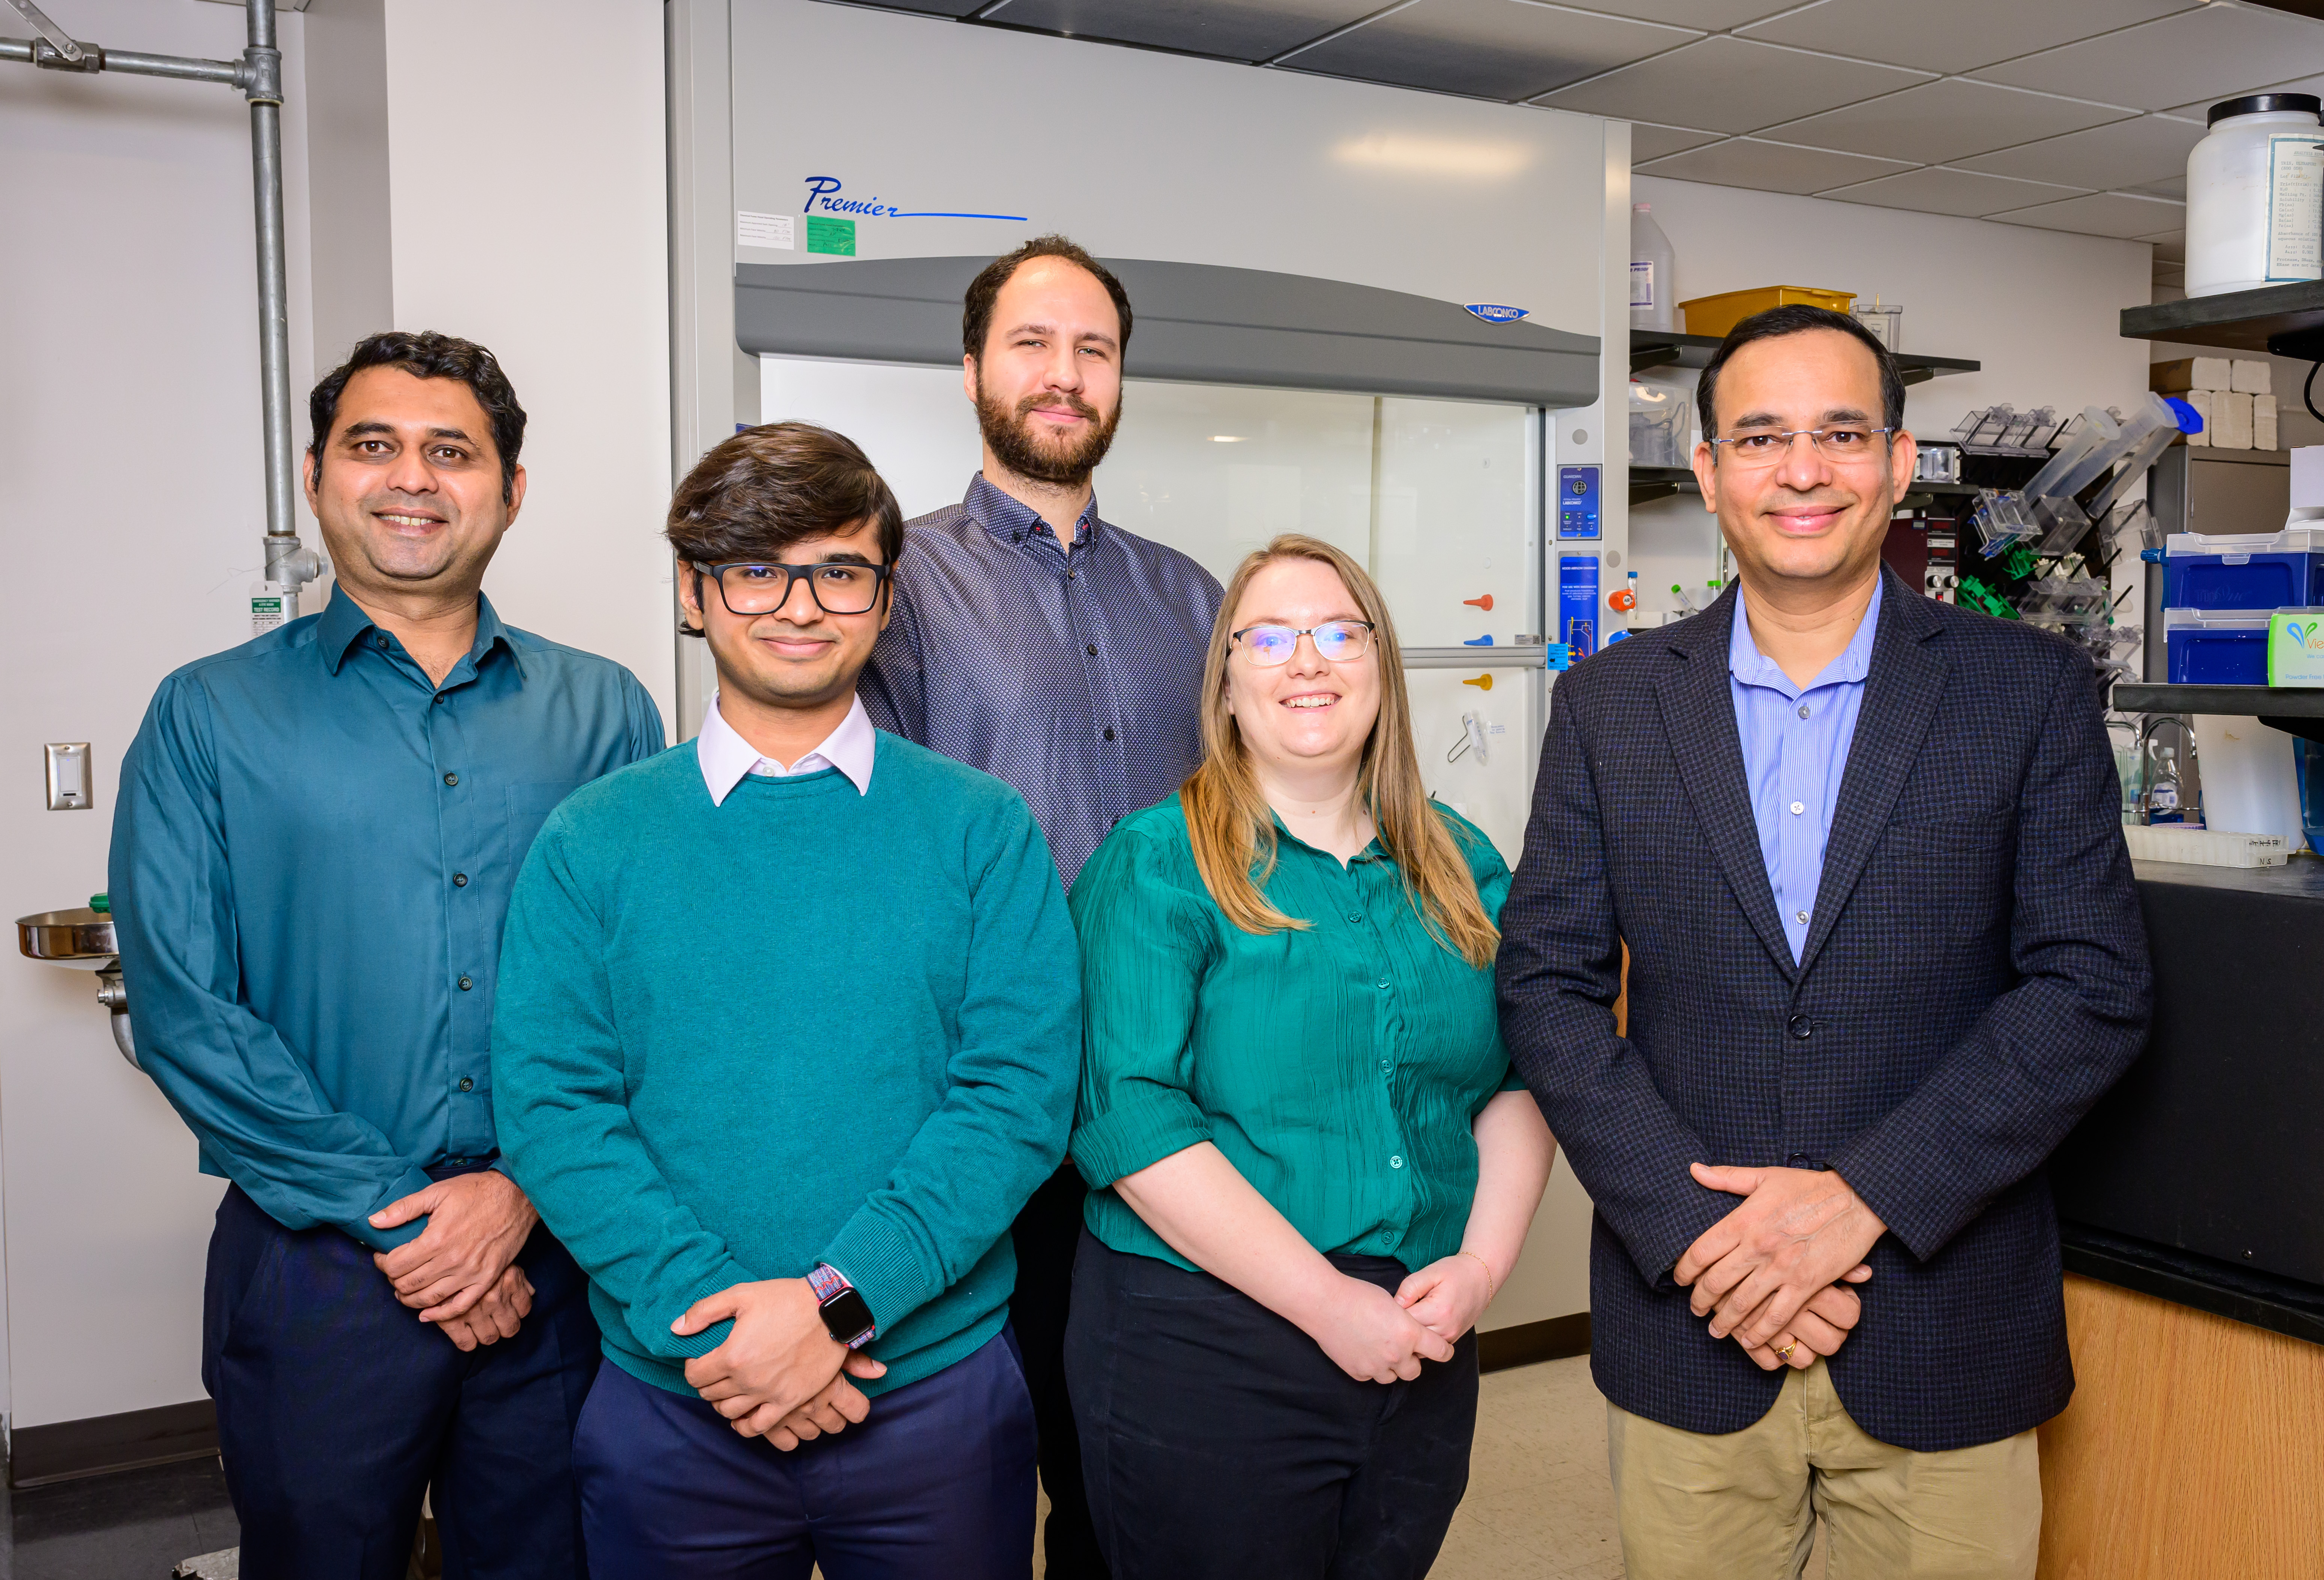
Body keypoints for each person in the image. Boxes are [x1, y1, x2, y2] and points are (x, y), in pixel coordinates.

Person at [1496, 305, 2152, 1578]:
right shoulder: (1609, 705)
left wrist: (1864, 1199)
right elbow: (1546, 988)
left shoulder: (2027, 690)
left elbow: (2090, 986)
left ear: (1898, 462)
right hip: (1695, 1313)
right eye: (1761, 437)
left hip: (1941, 1317)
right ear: (1710, 472)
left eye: (1840, 433)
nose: (1802, 469)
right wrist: (1700, 1236)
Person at [110, 331, 666, 1579]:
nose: (412, 477)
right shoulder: (207, 713)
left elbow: (648, 989)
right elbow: (188, 1011)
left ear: (511, 490)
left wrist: (521, 1190)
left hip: (559, 1255)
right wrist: (411, 1224)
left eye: (451, 452)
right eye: (374, 445)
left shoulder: (610, 712)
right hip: (316, 1265)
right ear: (316, 478)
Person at [491, 421, 1081, 1579]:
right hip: (677, 1398)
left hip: (932, 1396)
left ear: (883, 596)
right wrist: (733, 1324)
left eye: (838, 570)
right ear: (692, 591)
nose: (798, 605)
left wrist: (833, 1306)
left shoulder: (980, 829)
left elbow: (1014, 1099)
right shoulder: (594, 840)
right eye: (756, 568)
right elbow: (555, 1109)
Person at [1063, 534, 1558, 1580]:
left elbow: (1515, 1076)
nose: (1307, 660)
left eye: (1340, 632)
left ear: (1380, 666)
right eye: (1270, 637)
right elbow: (1130, 1115)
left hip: (1420, 1332)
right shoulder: (1154, 862)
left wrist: (1478, 1267)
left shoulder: (1461, 860)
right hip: (1205, 1341)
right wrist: (1329, 1305)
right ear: (1228, 680)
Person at [857, 233, 1222, 1578]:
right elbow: (871, 853)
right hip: (981, 1113)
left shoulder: (1192, 598)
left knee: (1131, 1482)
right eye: (1031, 344)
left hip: (1174, 1104)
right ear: (970, 371)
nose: (1063, 375)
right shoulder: (896, 587)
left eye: (1093, 349)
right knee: (959, 1482)